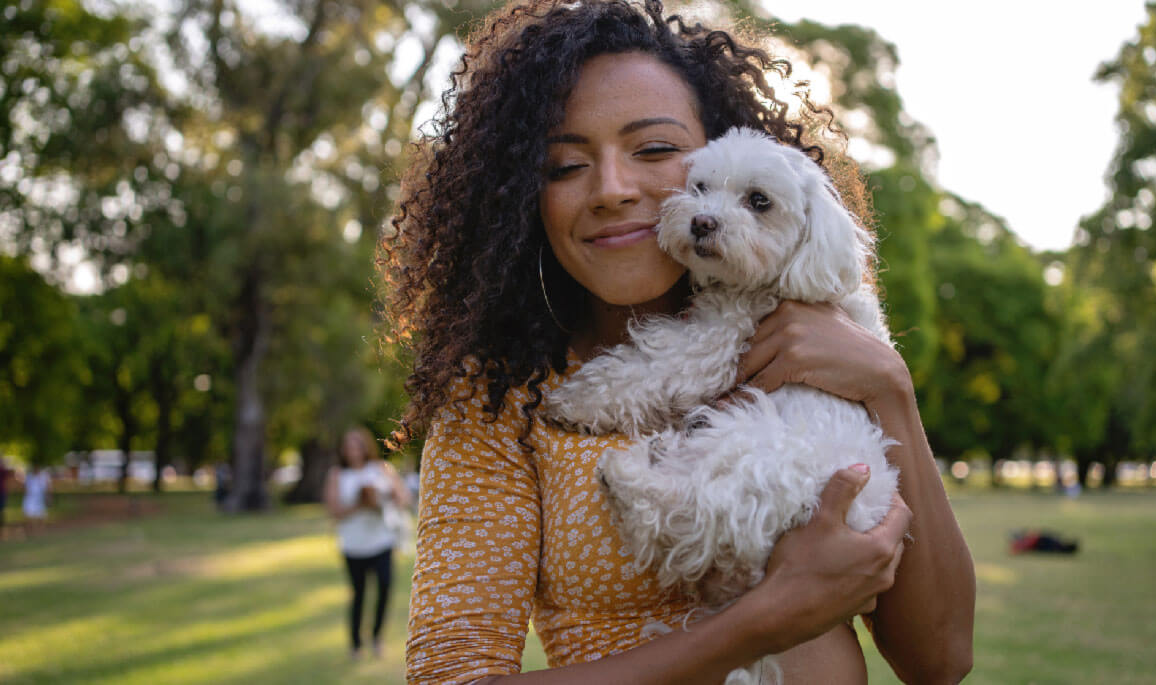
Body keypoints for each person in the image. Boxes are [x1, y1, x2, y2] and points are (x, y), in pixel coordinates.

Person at [381, 1, 976, 682]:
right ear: (521, 196)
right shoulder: (499, 399)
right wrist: (760, 621)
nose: (610, 189)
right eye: (564, 166)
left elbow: (942, 660)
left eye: (656, 149)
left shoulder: (819, 336)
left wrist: (889, 387)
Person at [323, 427, 412, 659]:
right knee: (359, 593)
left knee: (384, 587)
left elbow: (403, 497)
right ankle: (355, 643)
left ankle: (376, 637)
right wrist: (359, 504)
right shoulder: (337, 474)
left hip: (382, 541)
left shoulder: (381, 469)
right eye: (348, 446)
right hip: (353, 544)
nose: (353, 450)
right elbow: (333, 510)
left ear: (365, 447)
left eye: (357, 445)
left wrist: (387, 497)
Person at [21, 465, 51, 536]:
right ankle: (30, 532)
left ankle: (40, 532)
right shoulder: (29, 477)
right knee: (29, 516)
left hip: (40, 499)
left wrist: (48, 497)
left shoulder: (43, 476)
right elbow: (24, 487)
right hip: (30, 498)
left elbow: (47, 487)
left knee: (41, 516)